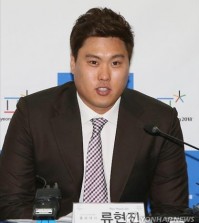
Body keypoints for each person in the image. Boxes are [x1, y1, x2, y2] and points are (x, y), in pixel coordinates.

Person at [0, 7, 188, 219]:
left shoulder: (160, 121)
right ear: (73, 62)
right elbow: (11, 203)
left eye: (116, 63)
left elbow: (173, 212)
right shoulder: (33, 114)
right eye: (93, 62)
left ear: (128, 65)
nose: (104, 76)